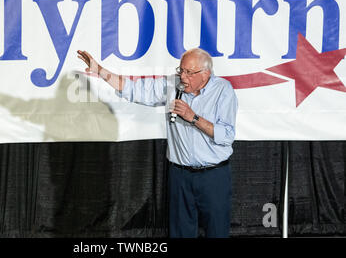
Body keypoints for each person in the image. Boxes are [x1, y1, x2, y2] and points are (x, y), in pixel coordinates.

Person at [77, 48, 238, 238]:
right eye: (181, 70)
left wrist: (192, 117)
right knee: (180, 233)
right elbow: (133, 89)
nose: (183, 77)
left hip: (213, 176)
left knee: (217, 232)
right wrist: (100, 70)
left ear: (205, 74)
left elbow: (226, 135)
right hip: (180, 175)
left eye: (189, 72)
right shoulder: (172, 85)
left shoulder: (223, 90)